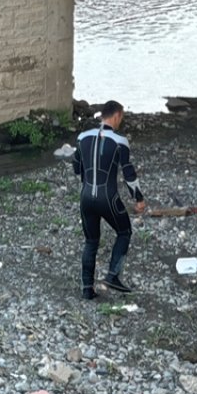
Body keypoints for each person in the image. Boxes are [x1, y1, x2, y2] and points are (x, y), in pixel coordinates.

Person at [72, 100, 146, 298]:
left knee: (91, 241)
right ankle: (113, 275)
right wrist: (138, 198)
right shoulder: (120, 141)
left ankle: (87, 289)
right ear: (116, 116)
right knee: (124, 231)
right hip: (108, 198)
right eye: (121, 118)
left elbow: (76, 168)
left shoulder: (82, 137)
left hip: (86, 197)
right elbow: (128, 173)